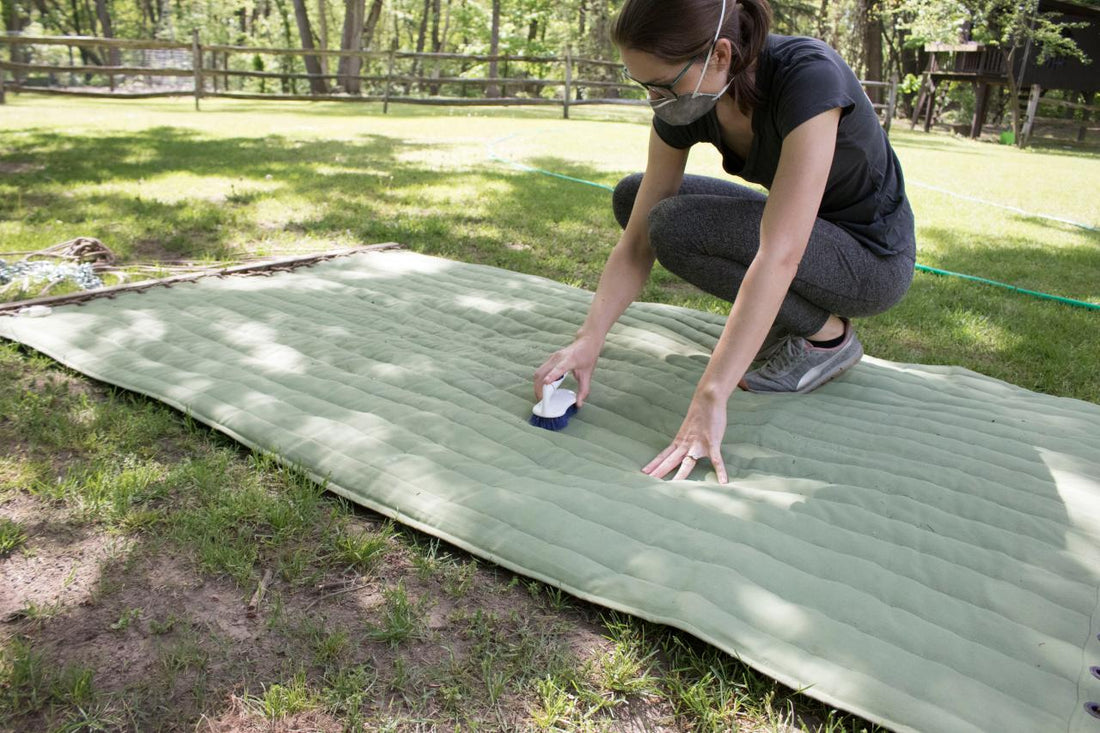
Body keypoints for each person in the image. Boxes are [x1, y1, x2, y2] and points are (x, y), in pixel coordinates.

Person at [533, 0, 917, 484]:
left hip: (870, 261)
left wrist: (711, 396)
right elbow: (636, 243)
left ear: (719, 55)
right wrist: (587, 339)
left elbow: (780, 253)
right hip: (810, 239)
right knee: (638, 201)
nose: (654, 100)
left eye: (662, 85)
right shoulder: (693, 100)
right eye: (643, 86)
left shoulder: (809, 77)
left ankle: (828, 339)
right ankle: (797, 326)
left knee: (676, 225)